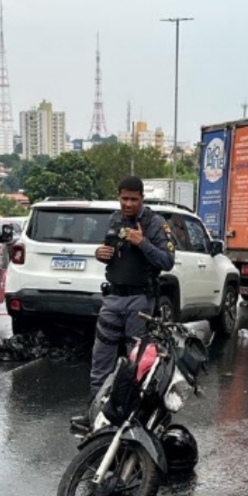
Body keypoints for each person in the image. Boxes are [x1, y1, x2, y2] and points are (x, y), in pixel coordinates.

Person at [70, 176, 176, 433]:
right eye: (124, 198)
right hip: (113, 299)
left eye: (133, 199)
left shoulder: (155, 224)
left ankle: (133, 416)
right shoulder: (115, 219)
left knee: (136, 363)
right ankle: (96, 413)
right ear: (118, 196)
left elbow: (167, 261)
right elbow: (112, 253)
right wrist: (100, 254)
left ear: (142, 198)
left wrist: (143, 243)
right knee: (101, 360)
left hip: (140, 301)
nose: (128, 203)